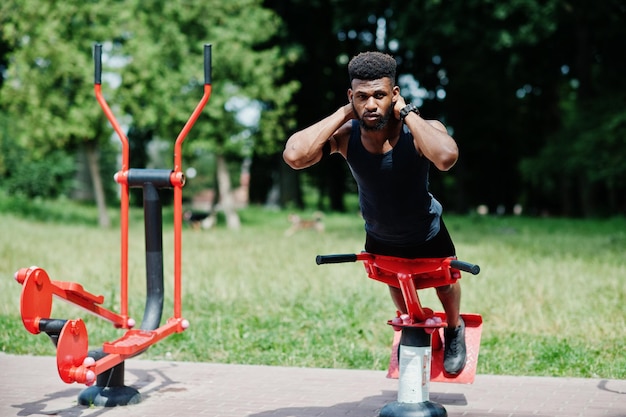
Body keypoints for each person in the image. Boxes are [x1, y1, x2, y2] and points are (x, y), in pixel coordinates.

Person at [282, 51, 466, 375]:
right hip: (380, 238)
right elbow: (295, 155)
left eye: (380, 95)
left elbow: (446, 157)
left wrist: (407, 112)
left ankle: (453, 330)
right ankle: (415, 324)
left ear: (394, 94)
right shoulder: (346, 136)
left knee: (445, 283)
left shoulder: (418, 131)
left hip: (428, 233)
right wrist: (343, 113)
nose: (371, 105)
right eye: (362, 97)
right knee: (397, 285)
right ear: (351, 96)